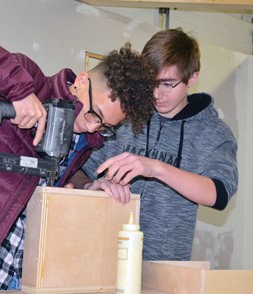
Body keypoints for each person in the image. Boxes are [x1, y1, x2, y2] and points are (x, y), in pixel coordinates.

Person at [0, 19, 156, 291]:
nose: (93, 126)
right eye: (95, 115)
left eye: (106, 127)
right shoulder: (26, 80)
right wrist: (20, 92)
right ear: (82, 81)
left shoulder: (84, 140)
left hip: (20, 275)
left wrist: (88, 187)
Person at [78, 28, 238, 261]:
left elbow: (219, 194)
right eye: (150, 83)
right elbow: (76, 170)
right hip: (98, 259)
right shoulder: (123, 115)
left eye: (167, 84)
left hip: (165, 269)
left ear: (192, 77)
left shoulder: (213, 132)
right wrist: (90, 186)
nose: (156, 94)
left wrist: (157, 168)